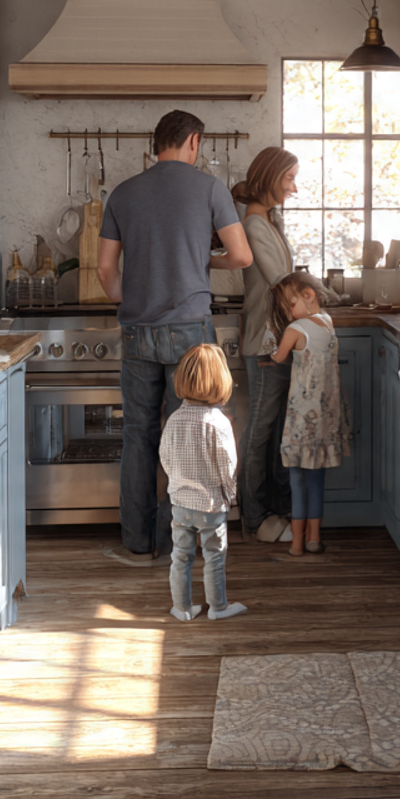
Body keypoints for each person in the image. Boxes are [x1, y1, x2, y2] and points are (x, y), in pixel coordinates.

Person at [98, 110, 253, 556]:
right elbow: (241, 256)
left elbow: (106, 268)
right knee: (190, 434)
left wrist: (126, 301)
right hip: (190, 331)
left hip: (137, 330)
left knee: (138, 433)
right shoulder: (209, 189)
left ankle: (137, 539)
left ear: (155, 144)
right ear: (194, 142)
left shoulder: (124, 193)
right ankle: (175, 539)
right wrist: (205, 261)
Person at [231, 146, 300, 543]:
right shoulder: (255, 224)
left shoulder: (268, 221)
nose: (294, 187)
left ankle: (273, 511)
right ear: (271, 177)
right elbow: (280, 280)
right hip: (265, 342)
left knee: (273, 433)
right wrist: (318, 294)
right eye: (289, 178)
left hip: (277, 340)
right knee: (259, 433)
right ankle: (254, 520)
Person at [160, 344, 247, 622]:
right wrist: (229, 495)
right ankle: (218, 608)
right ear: (221, 382)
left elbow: (165, 456)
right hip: (211, 505)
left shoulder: (174, 420)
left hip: (180, 503)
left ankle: (182, 608)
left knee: (180, 557)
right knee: (214, 556)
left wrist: (177, 482)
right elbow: (228, 466)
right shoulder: (218, 423)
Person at [268, 272, 351, 557]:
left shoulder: (297, 328)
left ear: (308, 295)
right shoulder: (328, 323)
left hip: (301, 421)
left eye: (290, 305)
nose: (288, 312)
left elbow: (278, 357)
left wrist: (270, 344)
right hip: (326, 422)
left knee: (296, 481)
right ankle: (315, 540)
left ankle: (296, 545)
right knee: (317, 482)